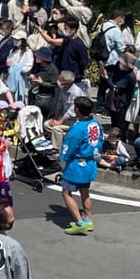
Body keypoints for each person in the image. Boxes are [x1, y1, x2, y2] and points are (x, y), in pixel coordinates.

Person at [59, 97, 103, 235]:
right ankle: (88, 219)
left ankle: (79, 222)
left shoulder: (78, 128)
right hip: (90, 163)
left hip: (77, 165)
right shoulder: (96, 124)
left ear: (77, 109)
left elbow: (69, 145)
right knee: (85, 192)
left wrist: (62, 157)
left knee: (66, 192)